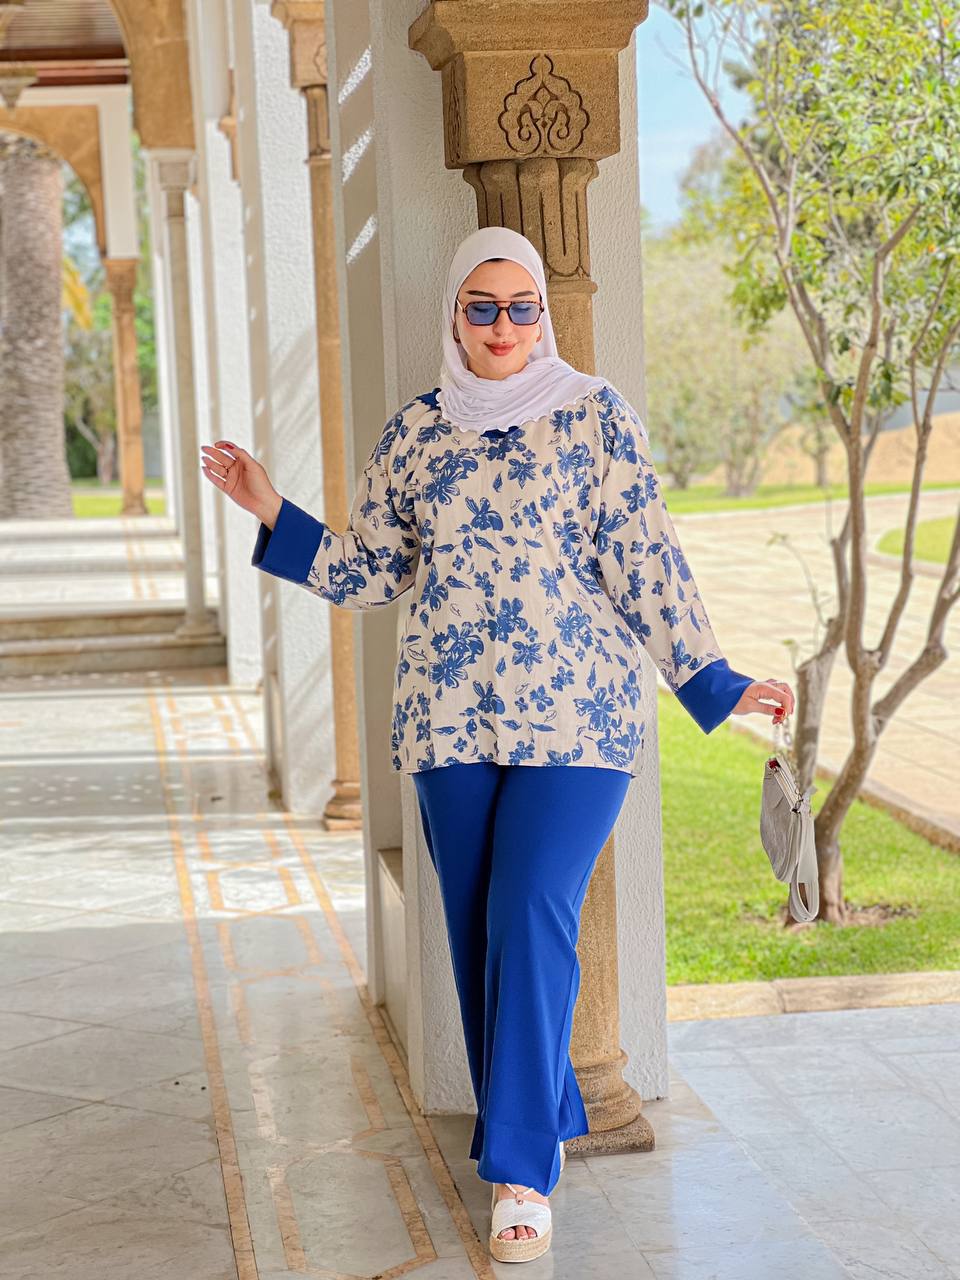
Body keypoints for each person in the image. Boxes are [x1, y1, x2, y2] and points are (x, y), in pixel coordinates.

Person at [200, 226, 795, 1264]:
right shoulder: (415, 433)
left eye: (522, 307)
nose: (504, 326)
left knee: (529, 907)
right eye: (483, 307)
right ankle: (540, 1113)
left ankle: (520, 1171)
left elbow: (645, 558)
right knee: (482, 928)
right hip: (451, 717)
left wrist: (713, 679)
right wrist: (271, 507)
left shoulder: (596, 415)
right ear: (455, 317)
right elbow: (375, 572)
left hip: (581, 716)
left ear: (543, 315)